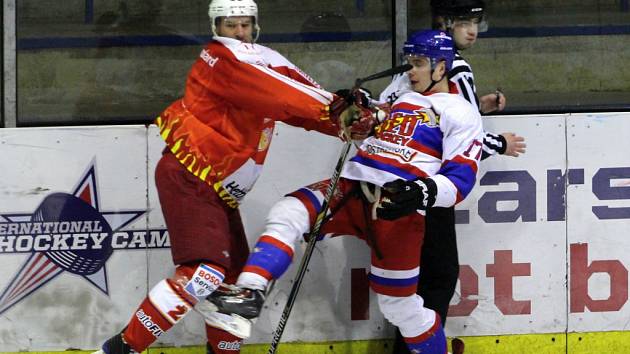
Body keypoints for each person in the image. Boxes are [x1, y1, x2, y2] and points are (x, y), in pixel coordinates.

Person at [91, 1, 363, 354]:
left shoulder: (261, 58)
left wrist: (346, 119)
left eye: (245, 25)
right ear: (215, 27)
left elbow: (293, 89)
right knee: (205, 272)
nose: (239, 32)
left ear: (256, 26)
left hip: (216, 190)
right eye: (230, 24)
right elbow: (281, 95)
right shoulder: (219, 59)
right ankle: (116, 351)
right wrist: (332, 108)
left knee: (232, 290)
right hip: (190, 176)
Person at [209, 30, 484, 354]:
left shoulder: (460, 111)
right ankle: (250, 293)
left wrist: (421, 191)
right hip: (353, 188)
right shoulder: (404, 96)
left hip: (396, 208)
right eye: (409, 62)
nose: (411, 70)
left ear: (441, 67)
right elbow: (369, 124)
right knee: (289, 210)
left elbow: (462, 178)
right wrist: (356, 108)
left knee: (400, 307)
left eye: (419, 63)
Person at [385, 1, 526, 353]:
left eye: (476, 21)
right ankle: (424, 348)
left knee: (414, 280)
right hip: (428, 186)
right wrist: (499, 142)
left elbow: (433, 115)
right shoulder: (453, 66)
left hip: (395, 183)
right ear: (443, 24)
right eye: (464, 21)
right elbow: (462, 136)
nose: (472, 29)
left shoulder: (415, 72)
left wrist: (478, 104)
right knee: (438, 276)